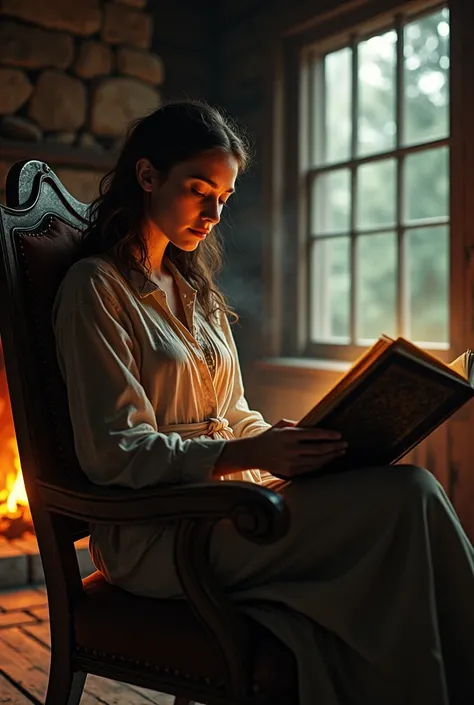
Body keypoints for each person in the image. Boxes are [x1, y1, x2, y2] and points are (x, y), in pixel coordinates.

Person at [52, 100, 474, 705]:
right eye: (200, 190)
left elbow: (234, 412)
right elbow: (117, 452)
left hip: (231, 504)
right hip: (157, 535)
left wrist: (292, 442)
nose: (214, 213)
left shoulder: (198, 293)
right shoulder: (94, 289)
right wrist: (248, 450)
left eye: (224, 197)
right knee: (408, 499)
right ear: (147, 177)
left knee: (413, 492)